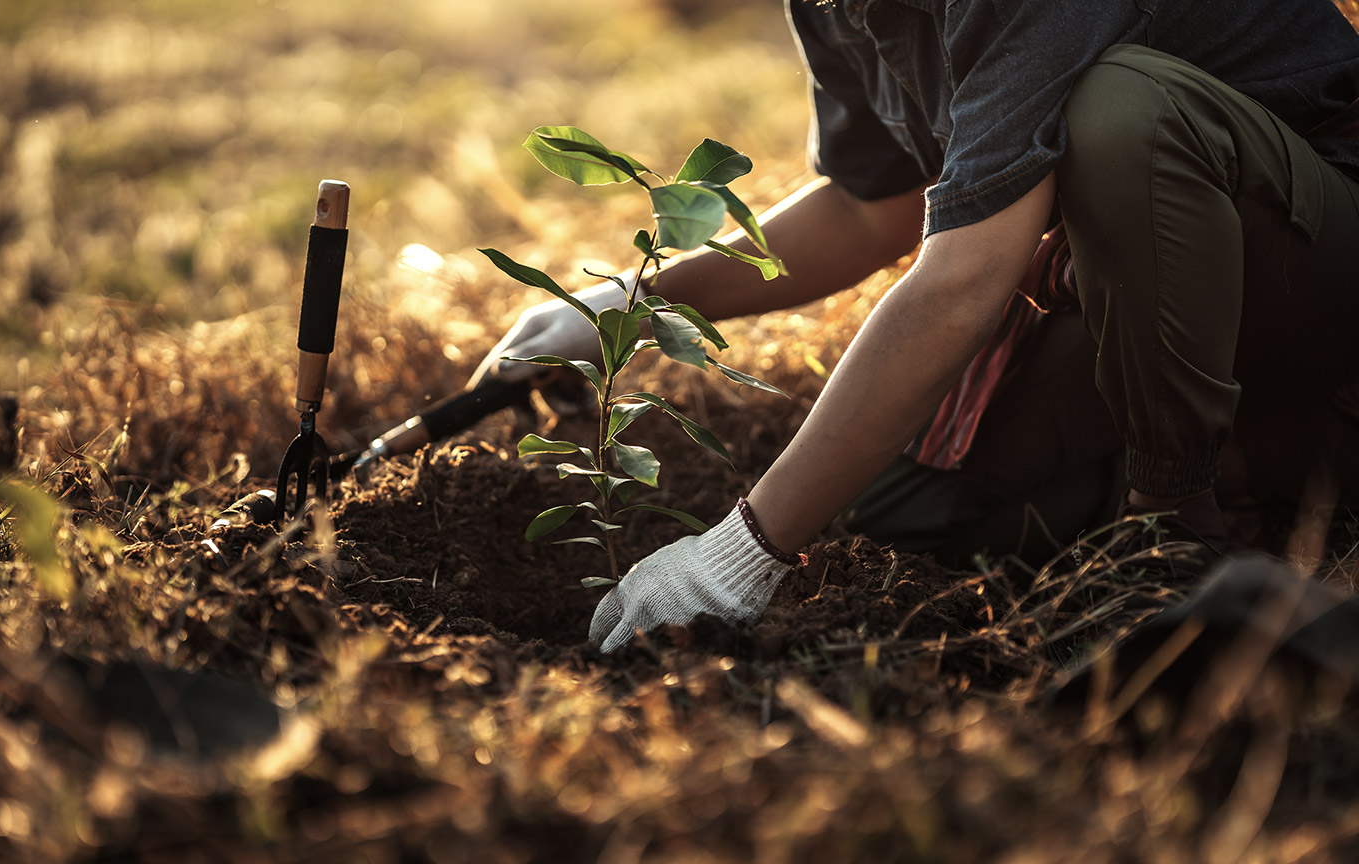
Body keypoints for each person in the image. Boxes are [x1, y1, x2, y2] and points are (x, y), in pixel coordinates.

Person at [472, 0, 1359, 652]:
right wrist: (623, 305)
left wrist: (741, 551)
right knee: (899, 518)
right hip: (1149, 300)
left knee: (1124, 112)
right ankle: (1277, 461)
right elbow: (874, 210)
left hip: (1315, 256)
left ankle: (1173, 531)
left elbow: (966, 275)